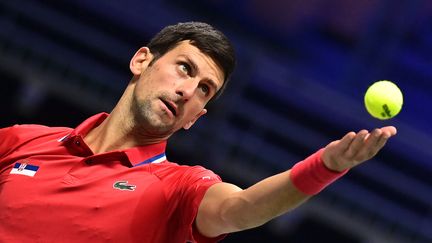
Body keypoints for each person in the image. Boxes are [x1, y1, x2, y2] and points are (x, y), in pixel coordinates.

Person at [0, 22, 396, 243]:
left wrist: (325, 166)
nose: (188, 90)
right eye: (185, 68)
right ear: (142, 61)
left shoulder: (178, 187)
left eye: (204, 89)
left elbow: (240, 210)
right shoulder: (23, 140)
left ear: (195, 117)